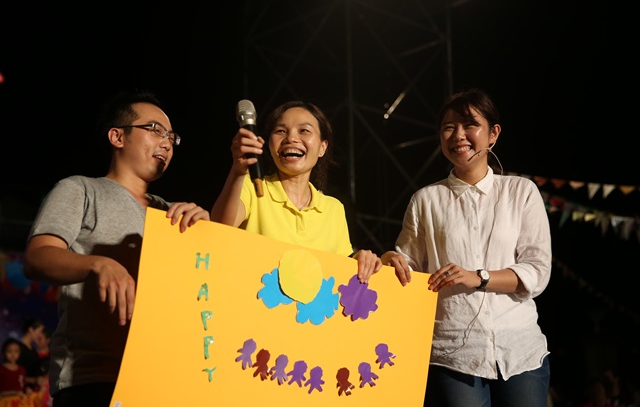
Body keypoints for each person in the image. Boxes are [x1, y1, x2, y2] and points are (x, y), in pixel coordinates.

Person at [22, 89, 211, 407]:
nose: (166, 143)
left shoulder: (172, 214)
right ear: (117, 136)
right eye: (155, 130)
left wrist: (205, 235)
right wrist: (99, 264)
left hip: (163, 380)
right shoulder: (81, 189)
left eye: (171, 137)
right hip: (94, 380)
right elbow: (37, 256)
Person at [381, 88, 552, 406]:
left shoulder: (521, 192)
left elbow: (537, 271)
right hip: (453, 353)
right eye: (449, 127)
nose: (458, 135)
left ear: (493, 134)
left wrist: (479, 277)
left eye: (470, 124)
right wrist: (391, 260)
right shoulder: (426, 200)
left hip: (520, 350)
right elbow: (409, 269)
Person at [211, 100, 381, 282]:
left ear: (322, 147)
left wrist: (363, 260)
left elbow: (340, 272)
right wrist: (238, 171)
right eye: (280, 131)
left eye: (304, 131)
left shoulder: (334, 208)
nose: (291, 138)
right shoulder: (251, 186)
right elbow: (218, 230)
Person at [16, 317, 46, 393]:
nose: (40, 335)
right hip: (21, 393)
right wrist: (33, 380)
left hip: (33, 393)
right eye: (40, 331)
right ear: (31, 330)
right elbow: (14, 374)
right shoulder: (18, 349)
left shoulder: (33, 350)